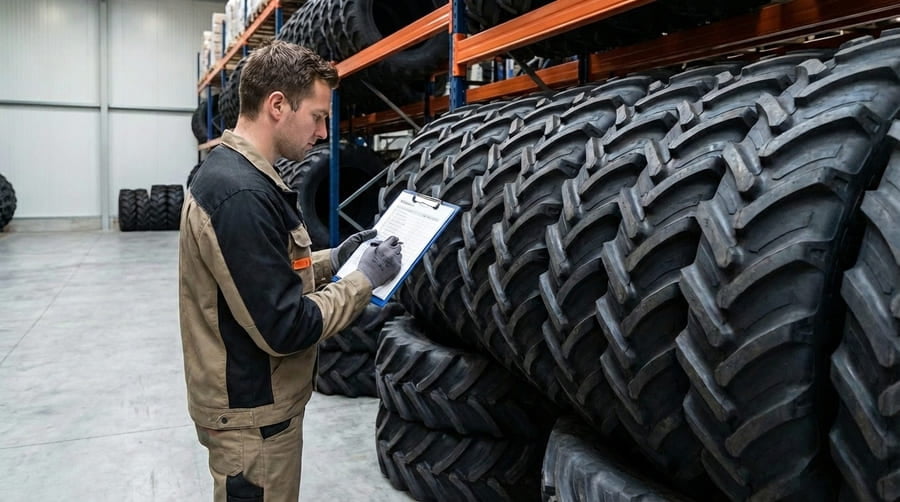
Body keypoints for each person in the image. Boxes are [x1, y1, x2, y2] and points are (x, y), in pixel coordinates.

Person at [178, 40, 402, 502]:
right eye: (318, 116)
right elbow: (285, 326)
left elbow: (268, 270)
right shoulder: (240, 195)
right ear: (277, 105)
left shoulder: (238, 175)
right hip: (252, 419)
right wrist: (364, 280)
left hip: (255, 408)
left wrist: (336, 258)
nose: (323, 133)